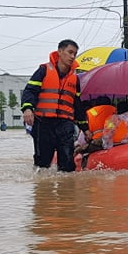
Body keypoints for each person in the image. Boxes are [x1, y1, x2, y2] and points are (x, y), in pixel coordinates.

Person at [21, 40, 88, 171]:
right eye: (70, 52)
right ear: (60, 52)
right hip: (43, 123)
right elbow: (30, 91)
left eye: (75, 53)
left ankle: (66, 190)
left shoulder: (75, 78)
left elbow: (77, 104)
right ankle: (42, 190)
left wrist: (85, 128)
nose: (73, 56)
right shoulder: (43, 70)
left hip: (65, 124)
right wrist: (28, 108)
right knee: (42, 164)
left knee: (68, 165)